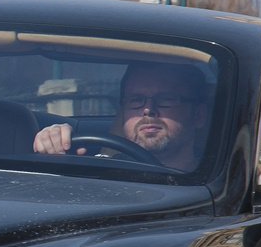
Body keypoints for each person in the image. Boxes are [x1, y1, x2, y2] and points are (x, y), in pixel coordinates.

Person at [32, 61, 209, 171]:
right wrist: (54, 146)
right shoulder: (99, 173)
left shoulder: (220, 184)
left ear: (198, 116)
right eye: (136, 100)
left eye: (166, 99)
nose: (148, 109)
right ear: (123, 113)